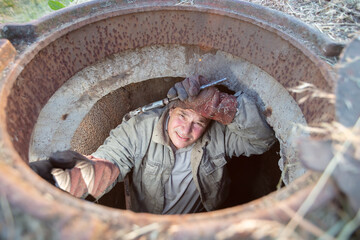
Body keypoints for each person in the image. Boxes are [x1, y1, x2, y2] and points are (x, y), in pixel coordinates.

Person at [30, 75, 275, 214]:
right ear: (170, 109)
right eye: (182, 116)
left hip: (195, 227)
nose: (187, 130)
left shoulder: (219, 135)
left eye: (199, 122)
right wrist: (71, 179)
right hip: (146, 229)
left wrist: (221, 106)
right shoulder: (139, 129)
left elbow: (263, 140)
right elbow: (110, 161)